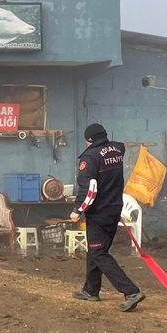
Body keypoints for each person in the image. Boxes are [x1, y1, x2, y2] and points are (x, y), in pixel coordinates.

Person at [69, 123, 145, 312]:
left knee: (98, 253)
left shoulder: (90, 157)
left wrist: (78, 210)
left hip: (99, 212)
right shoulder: (118, 149)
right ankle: (91, 289)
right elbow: (117, 147)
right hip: (115, 209)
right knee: (96, 249)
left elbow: (90, 189)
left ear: (89, 140)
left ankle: (131, 291)